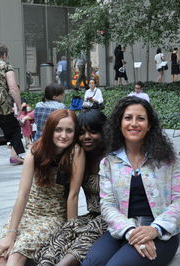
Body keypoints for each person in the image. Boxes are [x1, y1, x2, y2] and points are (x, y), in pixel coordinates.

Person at [82, 96, 180, 266]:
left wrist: (155, 229)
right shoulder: (109, 162)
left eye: (140, 118)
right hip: (123, 227)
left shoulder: (168, 159)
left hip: (161, 232)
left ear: (149, 126)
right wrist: (130, 232)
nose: (134, 123)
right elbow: (107, 204)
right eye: (128, 118)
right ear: (120, 124)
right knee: (90, 263)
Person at [0, 109, 85, 266]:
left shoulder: (75, 152)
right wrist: (11, 233)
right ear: (50, 130)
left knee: (17, 253)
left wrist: (70, 234)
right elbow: (22, 195)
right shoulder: (36, 150)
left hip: (53, 216)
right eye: (58, 129)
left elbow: (73, 196)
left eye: (69, 130)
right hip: (29, 211)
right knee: (2, 255)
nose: (63, 135)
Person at [35, 109, 108, 266]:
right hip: (92, 215)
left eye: (93, 132)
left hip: (112, 217)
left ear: (104, 132)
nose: (87, 137)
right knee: (56, 243)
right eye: (81, 133)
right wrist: (70, 227)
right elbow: (71, 195)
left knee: (83, 241)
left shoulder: (113, 159)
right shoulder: (81, 157)